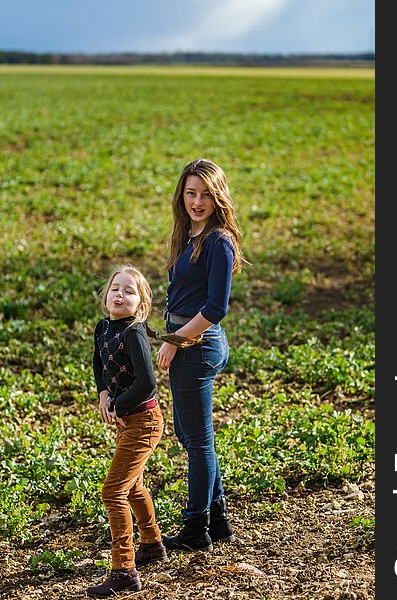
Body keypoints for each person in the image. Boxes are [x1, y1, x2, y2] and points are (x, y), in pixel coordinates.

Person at [156, 158, 245, 553]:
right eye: (191, 193)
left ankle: (195, 528)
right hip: (187, 343)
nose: (198, 201)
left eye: (206, 194)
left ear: (218, 195)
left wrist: (173, 339)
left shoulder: (218, 242)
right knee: (192, 436)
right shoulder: (189, 235)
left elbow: (215, 308)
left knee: (197, 440)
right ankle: (218, 518)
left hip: (198, 345)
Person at [87, 264, 167, 598]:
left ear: (141, 305)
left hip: (144, 421)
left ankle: (123, 571)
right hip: (126, 419)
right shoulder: (103, 327)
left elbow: (147, 382)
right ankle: (152, 545)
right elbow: (99, 366)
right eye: (115, 289)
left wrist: (118, 406)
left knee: (113, 491)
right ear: (106, 295)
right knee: (132, 486)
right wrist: (105, 394)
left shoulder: (134, 332)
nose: (120, 295)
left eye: (129, 291)